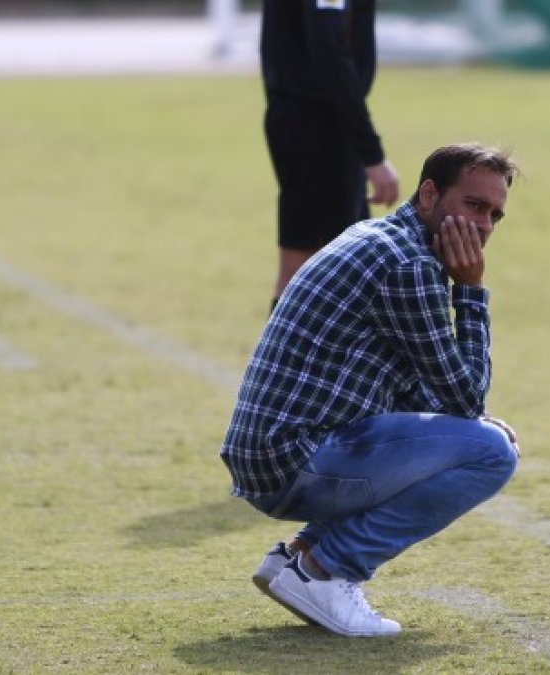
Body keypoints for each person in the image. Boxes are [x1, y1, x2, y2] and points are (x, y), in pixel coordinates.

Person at [220, 143, 522, 637]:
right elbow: (465, 400)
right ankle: (326, 569)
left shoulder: (379, 238)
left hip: (274, 453)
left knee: (482, 438)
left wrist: (473, 424)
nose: (485, 225)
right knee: (491, 455)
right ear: (429, 194)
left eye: (495, 215)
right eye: (473, 205)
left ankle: (299, 559)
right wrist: (469, 289)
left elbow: (417, 391)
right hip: (294, 459)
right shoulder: (407, 265)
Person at [260, 0, 401, 302]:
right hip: (317, 124)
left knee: (347, 269)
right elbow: (328, 52)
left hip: (321, 121)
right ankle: (279, 351)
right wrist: (371, 153)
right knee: (306, 269)